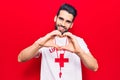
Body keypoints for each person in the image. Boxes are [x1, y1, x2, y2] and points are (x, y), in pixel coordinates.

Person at [18, 3, 98, 80]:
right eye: (61, 19)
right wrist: (39, 44)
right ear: (55, 18)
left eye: (68, 21)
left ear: (71, 25)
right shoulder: (45, 40)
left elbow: (94, 67)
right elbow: (21, 58)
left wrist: (79, 52)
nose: (63, 24)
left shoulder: (78, 41)